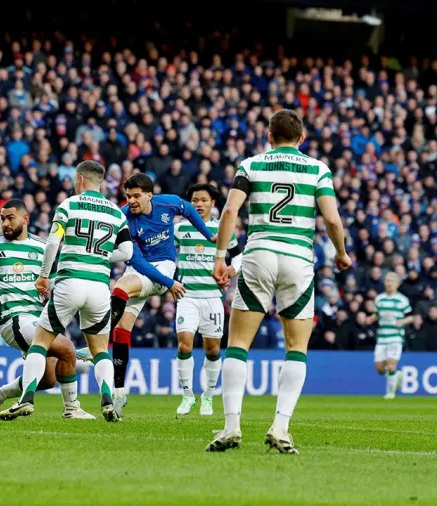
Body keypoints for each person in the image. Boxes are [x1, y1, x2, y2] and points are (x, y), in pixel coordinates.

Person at [206, 109, 352, 454]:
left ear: (269, 136)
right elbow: (331, 218)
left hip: (258, 253)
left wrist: (220, 256)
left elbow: (229, 212)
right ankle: (281, 427)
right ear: (301, 139)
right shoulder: (318, 169)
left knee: (239, 342)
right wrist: (341, 253)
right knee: (296, 347)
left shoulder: (251, 165)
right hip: (297, 258)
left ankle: (230, 426)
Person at [0, 161, 133, 422]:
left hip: (70, 282)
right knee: (100, 349)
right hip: (99, 287)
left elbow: (53, 243)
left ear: (80, 180)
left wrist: (44, 275)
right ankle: (106, 397)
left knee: (41, 342)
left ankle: (27, 399)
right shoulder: (116, 212)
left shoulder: (69, 205)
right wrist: (101, 257)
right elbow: (127, 252)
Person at [0, 199, 94, 419]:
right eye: (2, 218)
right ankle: (71, 409)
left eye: (10, 218)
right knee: (67, 348)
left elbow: (55, 282)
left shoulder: (42, 247)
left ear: (25, 219)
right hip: (12, 319)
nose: (5, 223)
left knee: (48, 379)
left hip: (38, 319)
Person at [77, 173, 216, 418]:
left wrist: (207, 234)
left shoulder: (169, 203)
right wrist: (169, 284)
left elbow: (190, 211)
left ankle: (97, 343)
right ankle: (119, 393)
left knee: (120, 289)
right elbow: (137, 261)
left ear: (149, 195)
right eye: (128, 195)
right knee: (122, 330)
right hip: (142, 270)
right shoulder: (125, 217)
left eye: (136, 195)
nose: (131, 200)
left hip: (164, 267)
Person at [173, 183, 242, 416]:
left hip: (212, 297)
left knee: (212, 350)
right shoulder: (179, 229)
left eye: (203, 200)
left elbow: (240, 255)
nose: (199, 204)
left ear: (213, 203)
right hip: (187, 296)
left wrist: (234, 268)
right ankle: (187, 395)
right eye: (194, 200)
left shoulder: (223, 230)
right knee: (184, 343)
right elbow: (166, 256)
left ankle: (208, 397)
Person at [367, 272, 413, 400]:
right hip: (382, 337)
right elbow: (377, 314)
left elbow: (411, 317)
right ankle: (396, 375)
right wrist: (371, 319)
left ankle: (390, 393)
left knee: (391, 364)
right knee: (380, 369)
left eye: (391, 281)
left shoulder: (402, 300)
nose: (388, 283)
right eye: (387, 280)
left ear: (397, 284)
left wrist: (402, 322)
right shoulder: (379, 299)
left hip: (395, 337)